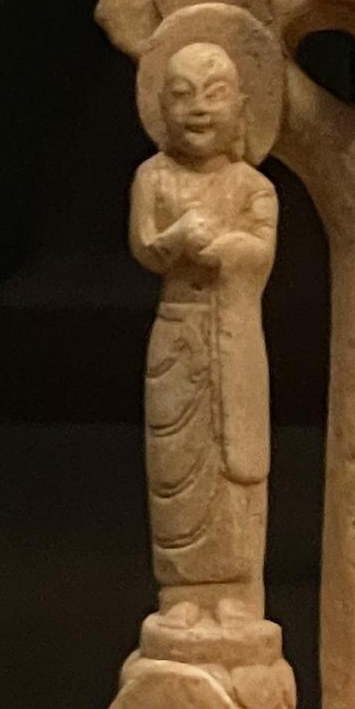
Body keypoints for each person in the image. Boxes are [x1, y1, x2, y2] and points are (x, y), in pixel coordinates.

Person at [130, 43, 278, 633]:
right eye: (182, 94)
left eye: (214, 95)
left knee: (236, 468)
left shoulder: (252, 186)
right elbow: (145, 246)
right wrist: (177, 239)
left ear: (240, 106)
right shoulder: (154, 178)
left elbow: (261, 253)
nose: (198, 108)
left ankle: (235, 592)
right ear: (161, 107)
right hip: (176, 337)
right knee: (175, 467)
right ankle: (182, 592)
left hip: (234, 338)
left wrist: (225, 249)